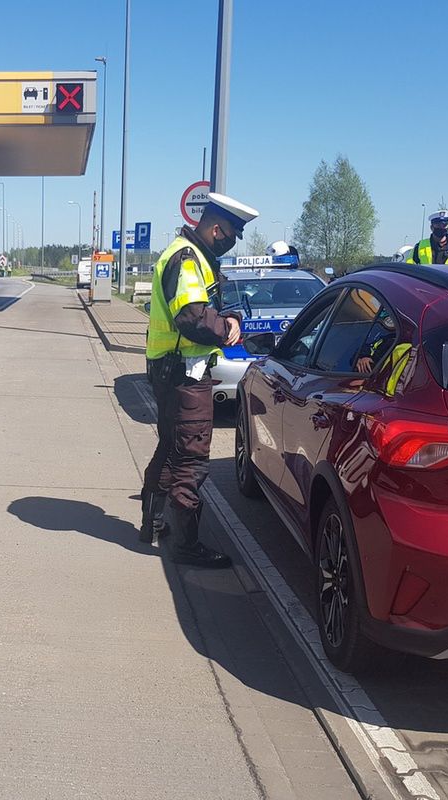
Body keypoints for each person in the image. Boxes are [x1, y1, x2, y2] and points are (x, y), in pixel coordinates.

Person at [140, 192, 257, 568]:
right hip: (184, 373)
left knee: (170, 450)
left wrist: (225, 318)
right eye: (232, 236)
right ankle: (187, 546)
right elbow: (192, 316)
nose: (231, 243)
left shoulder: (186, 254)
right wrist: (228, 330)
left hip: (170, 369)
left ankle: (153, 524)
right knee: (191, 460)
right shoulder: (187, 259)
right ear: (217, 228)